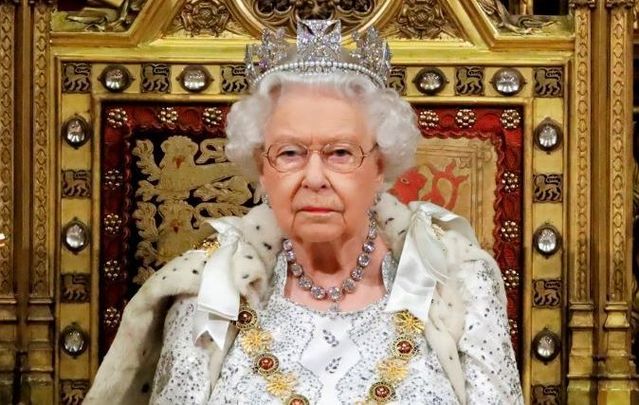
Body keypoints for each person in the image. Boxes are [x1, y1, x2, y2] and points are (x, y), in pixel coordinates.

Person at [85, 20, 523, 405]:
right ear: (261, 167)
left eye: (339, 153)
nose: (314, 177)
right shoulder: (209, 290)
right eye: (290, 153)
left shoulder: (457, 280)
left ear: (380, 165)